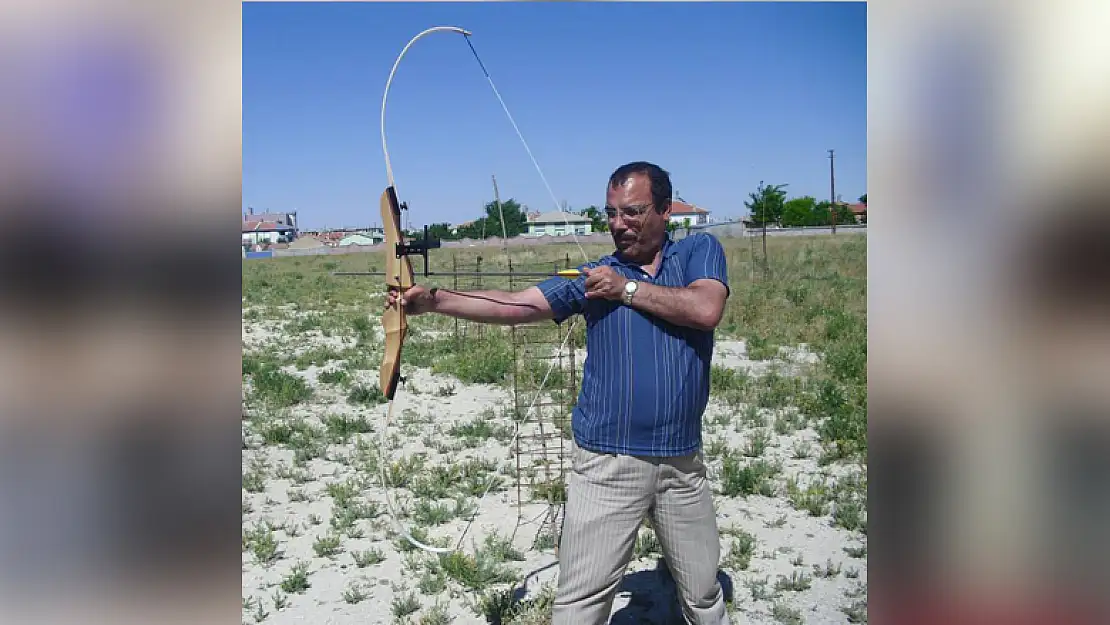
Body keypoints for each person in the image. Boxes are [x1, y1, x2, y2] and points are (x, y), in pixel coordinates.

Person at [387, 161, 731, 624]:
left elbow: (706, 308)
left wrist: (626, 289)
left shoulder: (696, 253)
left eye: (633, 212)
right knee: (579, 605)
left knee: (704, 596)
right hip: (608, 464)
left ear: (666, 210)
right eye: (611, 213)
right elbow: (515, 305)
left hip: (682, 462)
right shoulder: (593, 276)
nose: (619, 224)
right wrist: (434, 300)